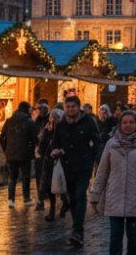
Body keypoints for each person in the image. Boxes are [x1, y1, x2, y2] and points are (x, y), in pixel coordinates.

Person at [90, 111, 136, 255]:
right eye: (124, 122)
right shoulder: (111, 144)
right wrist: (95, 194)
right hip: (114, 195)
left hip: (135, 196)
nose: (128, 125)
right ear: (119, 125)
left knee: (133, 237)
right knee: (115, 237)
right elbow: (102, 171)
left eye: (131, 122)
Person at [51, 96, 104, 247]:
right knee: (72, 197)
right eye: (67, 107)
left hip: (84, 165)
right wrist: (55, 151)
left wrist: (93, 157)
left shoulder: (87, 121)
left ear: (78, 107)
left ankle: (78, 230)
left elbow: (97, 141)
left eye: (73, 107)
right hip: (67, 165)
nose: (70, 109)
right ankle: (76, 227)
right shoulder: (61, 125)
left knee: (81, 195)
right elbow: (55, 142)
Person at [0, 102, 39, 207]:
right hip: (25, 154)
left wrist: (6, 149)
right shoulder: (29, 122)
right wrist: (31, 148)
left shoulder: (9, 121)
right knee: (26, 176)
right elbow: (35, 138)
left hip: (11, 154)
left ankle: (11, 200)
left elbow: (2, 137)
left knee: (12, 177)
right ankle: (26, 198)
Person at [37, 108, 65, 218]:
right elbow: (42, 144)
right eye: (52, 117)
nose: (53, 119)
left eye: (56, 117)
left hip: (60, 161)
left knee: (60, 184)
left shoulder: (63, 129)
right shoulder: (47, 129)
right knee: (48, 187)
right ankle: (52, 210)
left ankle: (65, 203)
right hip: (48, 161)